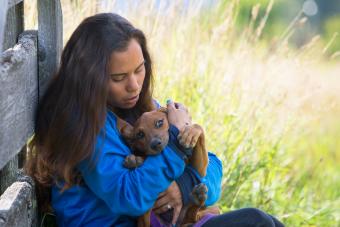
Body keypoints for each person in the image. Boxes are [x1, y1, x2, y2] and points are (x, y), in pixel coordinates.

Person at [25, 13, 284, 227]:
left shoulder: (143, 110)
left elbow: (213, 166)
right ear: (90, 78)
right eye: (118, 78)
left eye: (139, 70)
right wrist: (178, 142)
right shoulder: (83, 126)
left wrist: (183, 187)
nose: (134, 85)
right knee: (257, 222)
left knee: (268, 222)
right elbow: (129, 196)